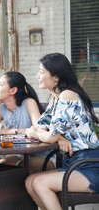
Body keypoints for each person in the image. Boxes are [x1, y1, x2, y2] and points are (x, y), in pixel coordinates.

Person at [25, 53, 99, 210]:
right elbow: (41, 126)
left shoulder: (68, 96)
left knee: (39, 183)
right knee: (29, 182)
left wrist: (45, 135)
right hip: (73, 163)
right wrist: (58, 138)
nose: (38, 76)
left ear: (56, 77)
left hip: (89, 165)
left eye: (41, 72)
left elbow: (47, 135)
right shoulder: (55, 100)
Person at [0, 71, 53, 173]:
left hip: (43, 155)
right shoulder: (1, 108)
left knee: (21, 168)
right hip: (20, 156)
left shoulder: (29, 102)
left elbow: (39, 130)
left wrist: (9, 131)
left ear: (13, 90)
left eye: (1, 85)